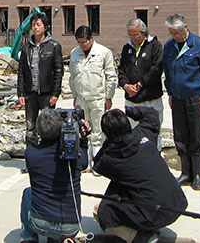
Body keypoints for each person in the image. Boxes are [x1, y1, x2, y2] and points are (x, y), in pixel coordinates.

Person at [93, 106, 187, 243]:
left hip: (155, 213)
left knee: (100, 211)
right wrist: (127, 110)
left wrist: (109, 140)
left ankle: (141, 238)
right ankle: (147, 224)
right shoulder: (144, 133)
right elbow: (152, 113)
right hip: (176, 203)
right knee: (124, 183)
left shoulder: (112, 158)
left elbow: (97, 164)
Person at [162, 13, 200, 189]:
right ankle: (186, 173)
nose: (175, 36)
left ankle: (198, 174)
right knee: (181, 135)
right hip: (177, 97)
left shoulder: (199, 44)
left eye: (177, 32)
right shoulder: (169, 46)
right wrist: (170, 92)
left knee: (197, 135)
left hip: (196, 97)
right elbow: (168, 72)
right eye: (172, 33)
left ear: (185, 28)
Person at [20, 108, 88, 243]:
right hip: (71, 226)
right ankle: (65, 239)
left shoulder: (31, 154)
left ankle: (28, 238)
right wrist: (83, 139)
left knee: (28, 192)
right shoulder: (75, 155)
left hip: (41, 223)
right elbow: (85, 163)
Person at [68, 25, 116, 169]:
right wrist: (74, 95)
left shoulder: (104, 52)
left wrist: (109, 97)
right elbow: (72, 76)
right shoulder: (74, 53)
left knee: (98, 132)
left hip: (98, 98)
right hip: (81, 98)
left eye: (85, 42)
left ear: (91, 39)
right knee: (83, 131)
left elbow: (111, 76)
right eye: (79, 42)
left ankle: (98, 162)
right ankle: (85, 162)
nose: (82, 45)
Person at [16, 12, 63, 145]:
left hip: (47, 93)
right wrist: (21, 93)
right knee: (30, 127)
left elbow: (58, 71)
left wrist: (55, 93)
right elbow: (21, 72)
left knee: (50, 125)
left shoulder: (54, 46)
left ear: (45, 27)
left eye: (38, 25)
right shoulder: (26, 48)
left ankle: (49, 155)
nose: (35, 28)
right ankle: (32, 155)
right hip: (31, 93)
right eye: (33, 25)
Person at [118, 19, 164, 149]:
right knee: (131, 133)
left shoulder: (154, 46)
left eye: (136, 35)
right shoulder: (127, 48)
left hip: (150, 98)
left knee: (153, 134)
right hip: (132, 99)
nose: (133, 38)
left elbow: (156, 69)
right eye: (130, 35)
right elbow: (122, 70)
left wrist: (140, 84)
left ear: (143, 32)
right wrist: (125, 85)